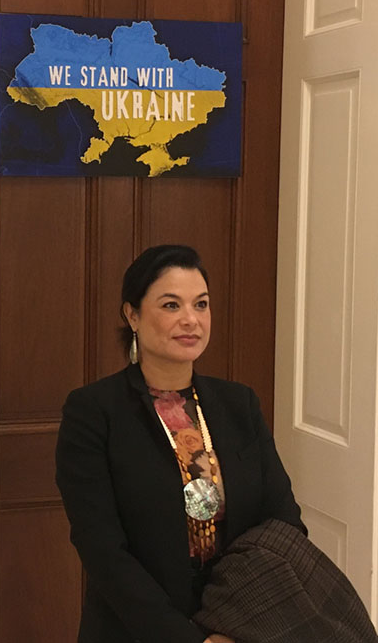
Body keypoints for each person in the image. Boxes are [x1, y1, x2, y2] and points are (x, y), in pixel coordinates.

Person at [55, 244, 306, 643]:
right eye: (171, 306)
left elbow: (284, 524)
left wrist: (234, 625)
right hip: (137, 629)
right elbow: (102, 549)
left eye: (201, 305)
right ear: (132, 315)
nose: (191, 320)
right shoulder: (93, 412)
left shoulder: (238, 403)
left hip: (241, 626)